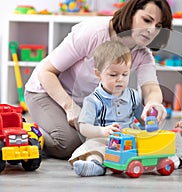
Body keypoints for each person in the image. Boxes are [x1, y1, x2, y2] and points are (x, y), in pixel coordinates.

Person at [24, 0, 172, 159]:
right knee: (68, 144)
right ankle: (27, 133)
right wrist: (69, 107)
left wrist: (153, 103)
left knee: (102, 139)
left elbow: (150, 88)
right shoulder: (94, 32)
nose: (151, 30)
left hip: (85, 102)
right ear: (131, 14)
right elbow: (45, 72)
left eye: (158, 26)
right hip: (46, 92)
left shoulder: (143, 54)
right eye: (147, 20)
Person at [68, 40, 144, 177]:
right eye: (113, 75)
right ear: (98, 74)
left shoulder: (133, 96)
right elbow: (84, 128)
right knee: (94, 149)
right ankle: (94, 165)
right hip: (105, 139)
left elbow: (142, 118)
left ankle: (170, 160)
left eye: (125, 74)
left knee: (147, 146)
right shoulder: (93, 100)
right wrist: (102, 131)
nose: (120, 79)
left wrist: (150, 120)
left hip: (130, 140)